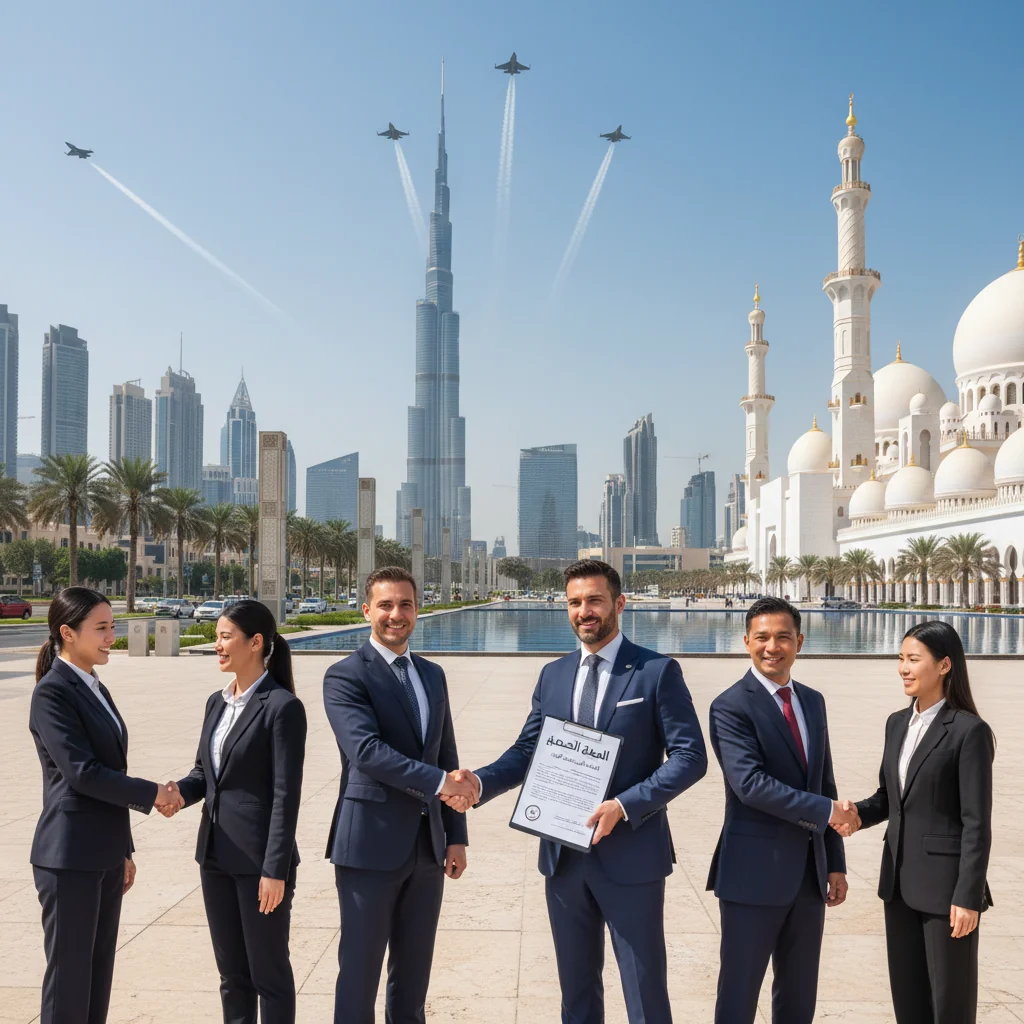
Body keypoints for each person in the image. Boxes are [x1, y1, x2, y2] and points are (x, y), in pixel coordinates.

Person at [449, 559, 707, 1024]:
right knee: (576, 991)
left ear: (619, 603)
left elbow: (691, 758)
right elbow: (528, 750)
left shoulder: (655, 672)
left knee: (644, 990)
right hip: (564, 858)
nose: (584, 611)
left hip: (631, 857)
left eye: (594, 600)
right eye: (574, 602)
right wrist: (480, 783)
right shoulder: (554, 675)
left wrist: (625, 806)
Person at [322, 566, 470, 1024]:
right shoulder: (345, 676)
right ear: (366, 610)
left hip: (428, 849)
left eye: (405, 604)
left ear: (417, 610)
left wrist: (457, 835)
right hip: (369, 846)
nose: (396, 614)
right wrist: (440, 783)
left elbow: (447, 752)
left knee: (413, 977)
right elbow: (366, 752)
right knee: (360, 973)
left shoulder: (432, 675)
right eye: (385, 605)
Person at [29, 587, 183, 1024]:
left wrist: (124, 849)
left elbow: (110, 768)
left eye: (112, 626)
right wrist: (154, 793)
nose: (110, 636)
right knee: (69, 983)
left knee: (97, 977)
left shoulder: (94, 686)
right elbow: (82, 773)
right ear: (67, 633)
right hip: (69, 856)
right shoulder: (52, 694)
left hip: (103, 853)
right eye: (100, 628)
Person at [706, 596, 856, 1024]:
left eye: (783, 637)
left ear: (800, 641)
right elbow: (750, 785)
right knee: (738, 993)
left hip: (808, 877)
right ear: (746, 642)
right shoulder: (730, 706)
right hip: (752, 875)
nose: (773, 646)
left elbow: (824, 782)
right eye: (763, 637)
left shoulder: (812, 701)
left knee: (798, 995)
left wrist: (835, 863)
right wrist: (828, 812)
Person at [838, 620, 994, 1024]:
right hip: (899, 887)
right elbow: (891, 798)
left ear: (944, 665)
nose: (903, 668)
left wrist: (967, 895)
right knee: (908, 1003)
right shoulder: (897, 723)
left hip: (947, 894)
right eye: (901, 659)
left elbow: (977, 824)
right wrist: (857, 816)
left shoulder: (968, 731)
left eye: (913, 659)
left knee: (950, 1006)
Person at [175, 600, 306, 1024]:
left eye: (224, 636)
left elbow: (287, 796)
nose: (217, 645)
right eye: (216, 636)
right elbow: (204, 773)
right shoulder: (217, 702)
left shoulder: (282, 706)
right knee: (232, 975)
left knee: (268, 973)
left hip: (259, 864)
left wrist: (275, 869)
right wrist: (174, 793)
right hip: (214, 856)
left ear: (255, 643)